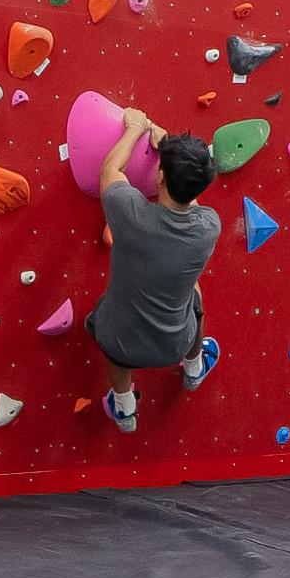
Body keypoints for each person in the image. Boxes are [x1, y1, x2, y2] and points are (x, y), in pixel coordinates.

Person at [89, 128, 224, 433]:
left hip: (121, 341)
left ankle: (124, 408)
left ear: (160, 177)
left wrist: (135, 128)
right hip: (176, 342)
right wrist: (172, 153)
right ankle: (194, 368)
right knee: (194, 294)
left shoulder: (130, 213)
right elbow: (190, 202)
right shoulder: (209, 226)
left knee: (114, 341)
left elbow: (110, 170)